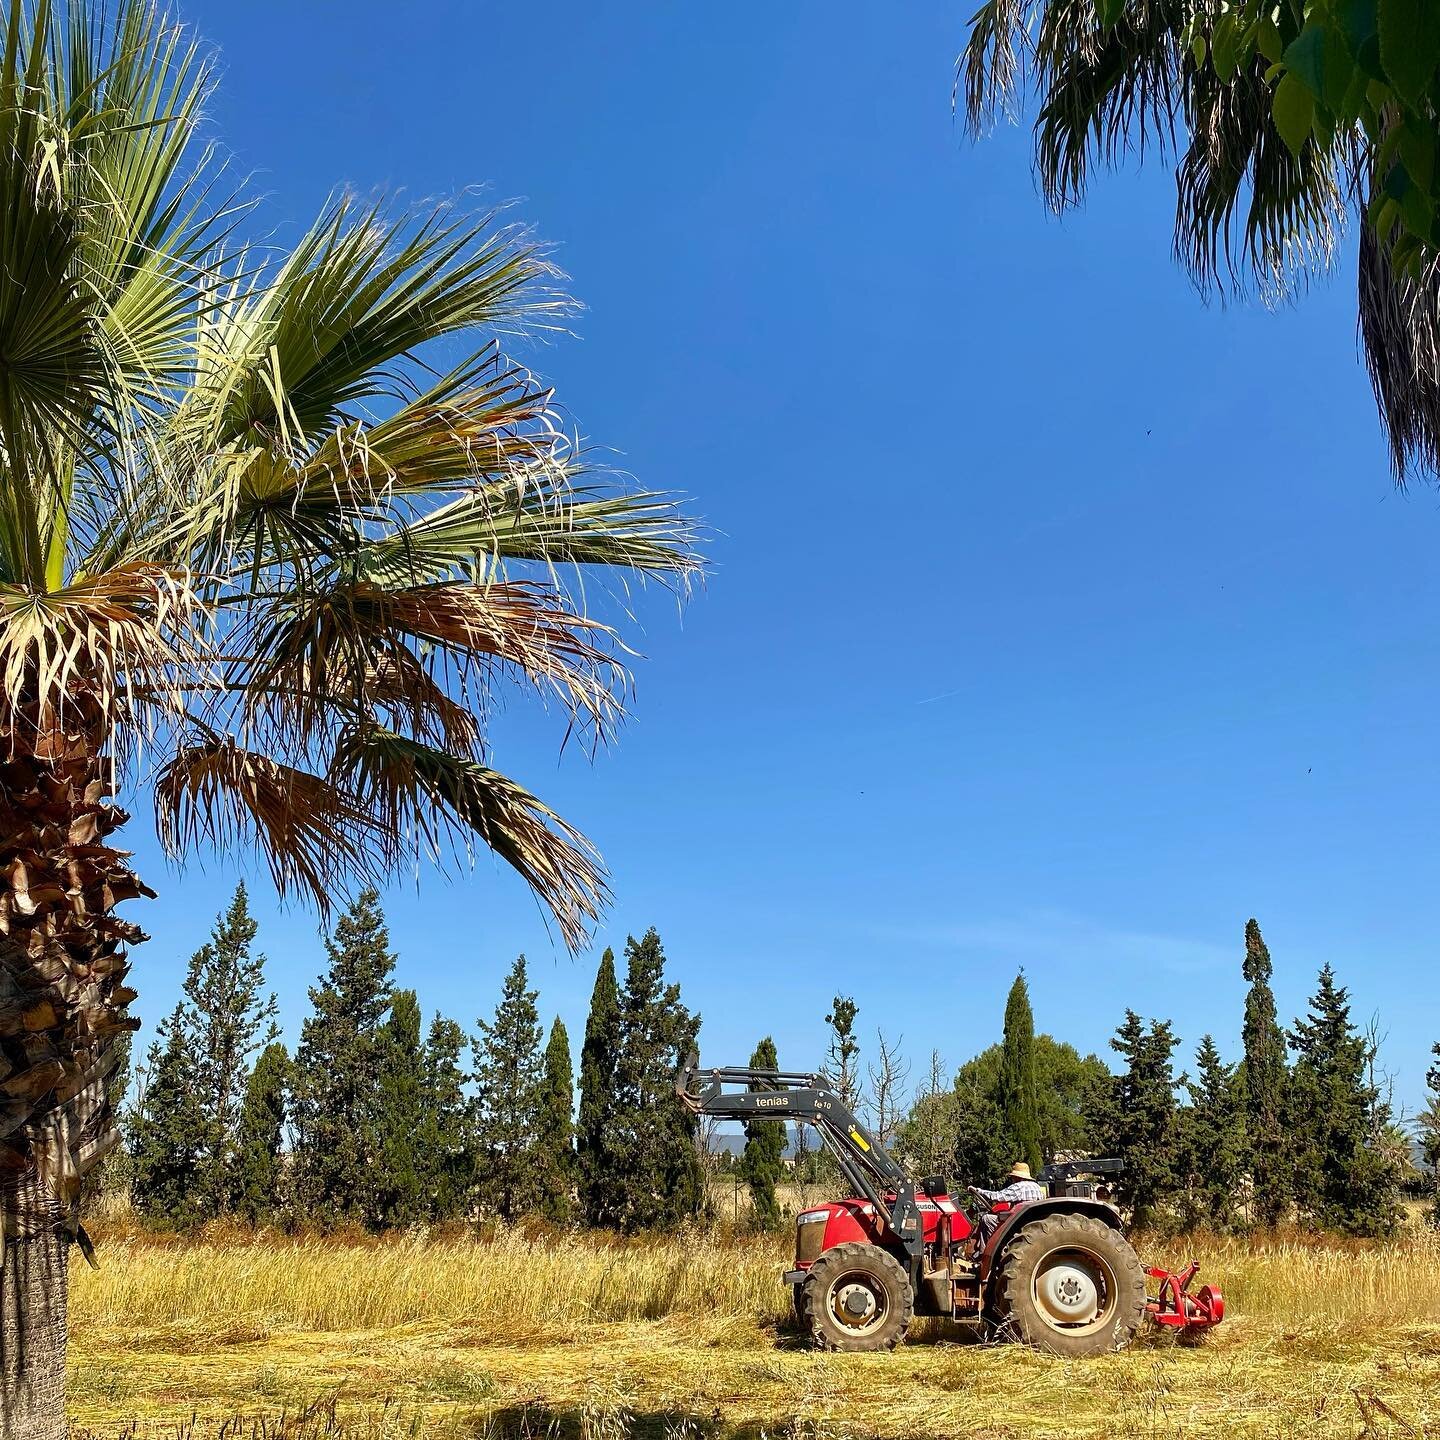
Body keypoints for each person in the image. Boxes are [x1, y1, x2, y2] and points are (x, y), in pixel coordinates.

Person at [968, 1161, 1046, 1250]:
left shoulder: (1019, 1186)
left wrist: (978, 1191)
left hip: (1017, 1223)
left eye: (1013, 1177)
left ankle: (987, 1250)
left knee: (987, 1219)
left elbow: (996, 1196)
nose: (1012, 1179)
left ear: (1017, 1177)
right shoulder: (1037, 1187)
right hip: (1030, 1220)